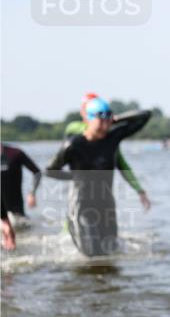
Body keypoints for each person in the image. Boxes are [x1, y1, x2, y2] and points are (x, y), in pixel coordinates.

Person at [46, 97, 152, 257]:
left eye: (108, 119)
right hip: (82, 206)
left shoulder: (112, 138)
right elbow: (50, 170)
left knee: (109, 253)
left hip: (106, 206)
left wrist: (116, 119)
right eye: (100, 119)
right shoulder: (73, 145)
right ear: (88, 119)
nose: (105, 124)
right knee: (92, 252)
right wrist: (75, 177)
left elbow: (145, 115)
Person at [0, 141, 42, 228]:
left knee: (21, 230)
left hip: (15, 209)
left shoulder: (15, 153)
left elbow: (37, 172)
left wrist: (32, 193)